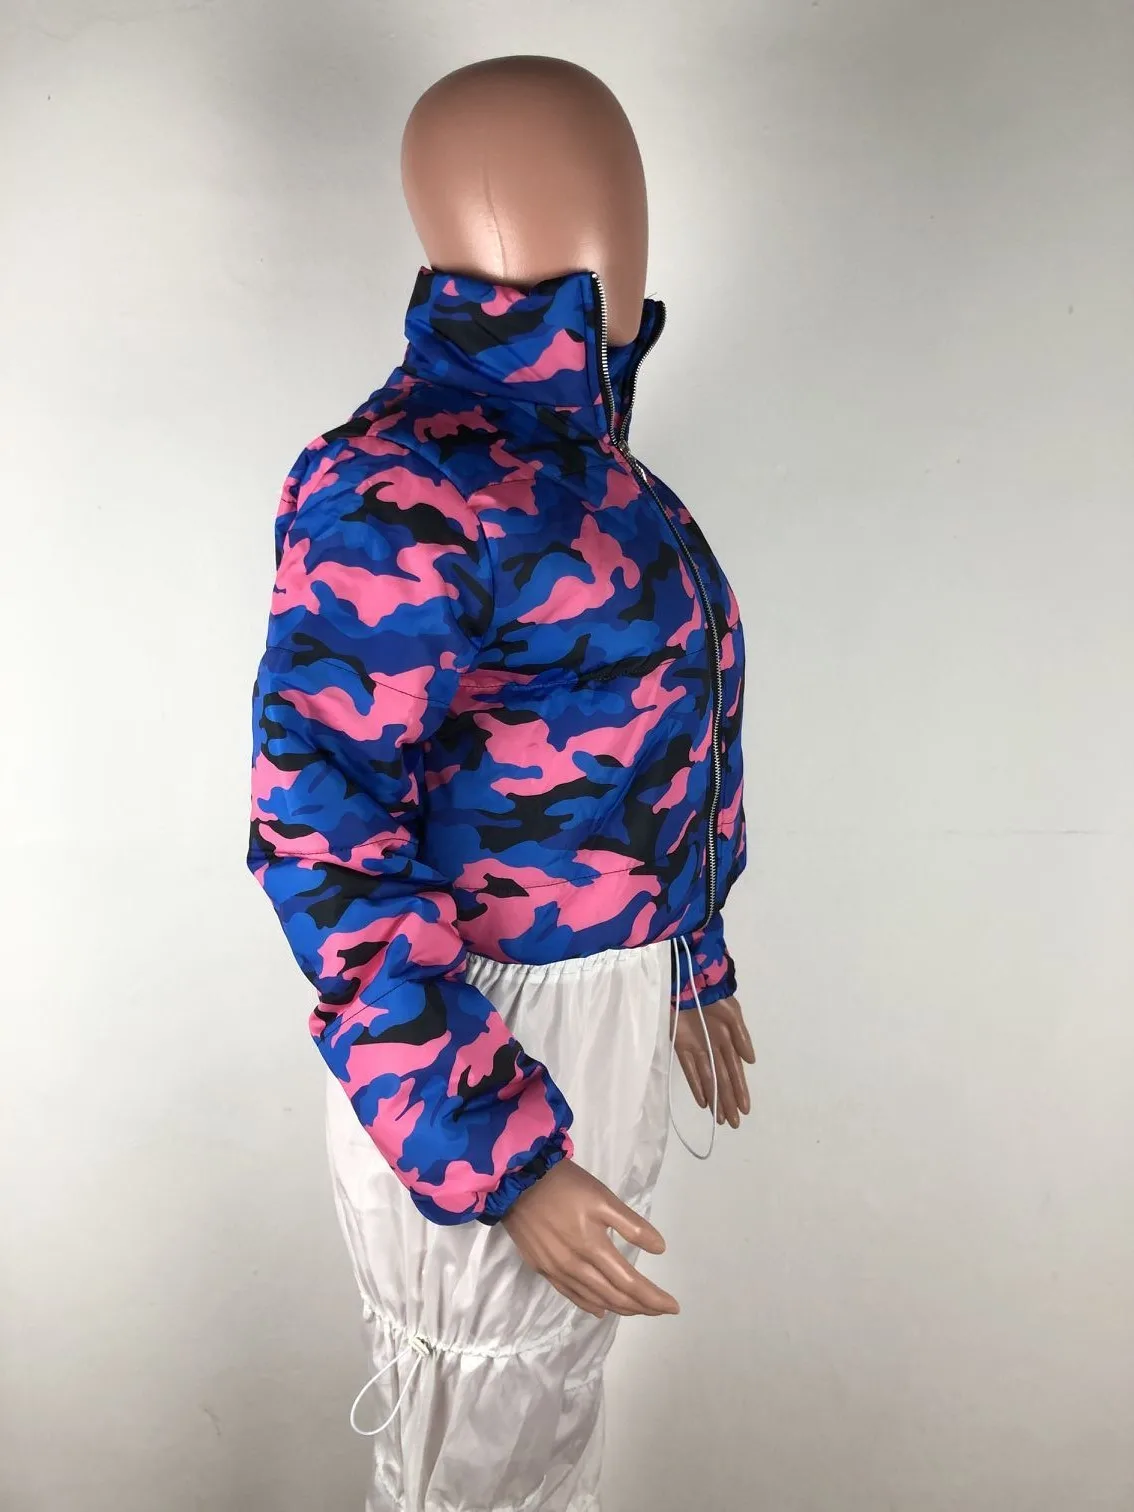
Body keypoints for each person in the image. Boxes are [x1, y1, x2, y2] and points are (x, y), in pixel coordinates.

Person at [247, 53, 754, 1512]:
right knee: (475, 1452)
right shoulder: (399, 481)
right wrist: (497, 1149)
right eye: (607, 184)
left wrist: (689, 953)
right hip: (480, 1032)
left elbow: (656, 751)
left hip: (611, 997)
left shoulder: (600, 474)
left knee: (541, 1430)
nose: (632, 221)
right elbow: (321, 837)